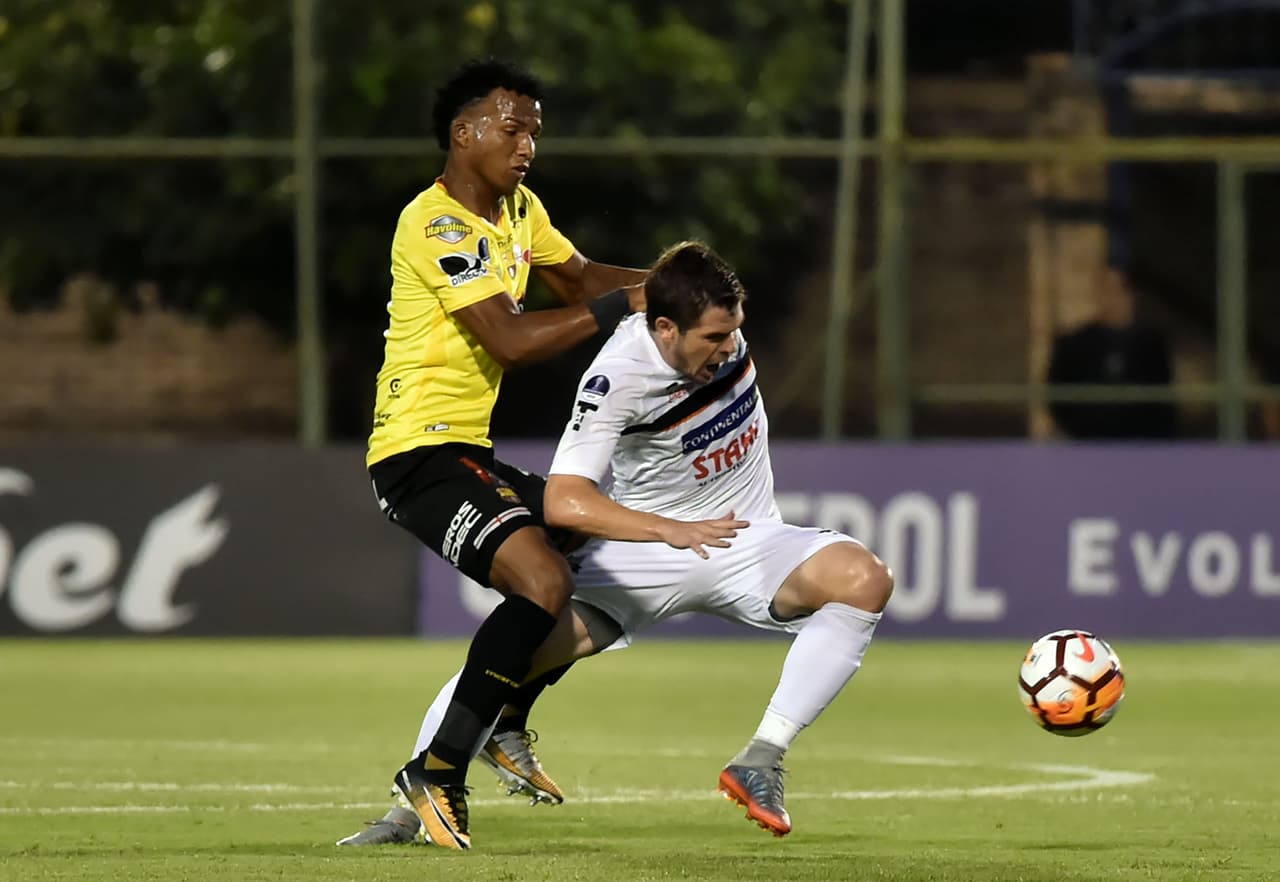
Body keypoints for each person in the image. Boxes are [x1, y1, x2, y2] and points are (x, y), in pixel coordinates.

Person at [342, 240, 893, 847]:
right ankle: (408, 811)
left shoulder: (711, 326)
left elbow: (658, 284)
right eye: (712, 337)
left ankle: (761, 757)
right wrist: (667, 528)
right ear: (663, 329)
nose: (728, 347)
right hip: (644, 552)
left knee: (864, 580)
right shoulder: (616, 377)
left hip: (747, 538)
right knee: (515, 653)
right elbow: (565, 500)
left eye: (734, 331)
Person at [350, 57, 649, 850]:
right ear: (465, 133)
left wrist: (678, 283)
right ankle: (438, 771)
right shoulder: (436, 222)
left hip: (464, 450)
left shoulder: (519, 208)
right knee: (544, 577)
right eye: (513, 130)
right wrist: (636, 303)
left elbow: (579, 279)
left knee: (586, 540)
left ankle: (506, 718)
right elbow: (512, 340)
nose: (527, 147)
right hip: (416, 455)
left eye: (534, 134)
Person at [1046, 264, 1177, 439]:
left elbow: (1163, 398)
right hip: (1086, 446)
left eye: (1118, 289)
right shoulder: (1072, 344)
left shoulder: (1152, 344)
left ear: (1130, 294)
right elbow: (1057, 396)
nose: (1111, 297)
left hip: (1141, 447)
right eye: (1105, 289)